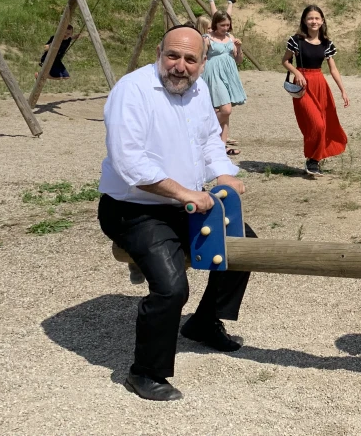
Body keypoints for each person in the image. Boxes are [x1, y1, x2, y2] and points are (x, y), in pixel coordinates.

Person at [97, 25, 255, 402]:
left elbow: (208, 141)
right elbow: (129, 163)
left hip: (183, 204)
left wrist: (224, 174)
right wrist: (185, 192)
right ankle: (145, 372)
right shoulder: (131, 91)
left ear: (203, 62)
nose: (180, 66)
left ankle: (203, 323)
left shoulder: (198, 90)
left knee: (243, 245)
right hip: (133, 209)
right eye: (173, 56)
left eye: (190, 59)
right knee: (171, 287)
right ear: (158, 52)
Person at [282, 5, 350, 177]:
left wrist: (342, 90)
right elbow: (285, 61)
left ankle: (314, 161)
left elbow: (333, 69)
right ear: (304, 21)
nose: (314, 21)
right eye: (310, 18)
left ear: (322, 21)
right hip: (303, 86)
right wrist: (296, 72)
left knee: (324, 123)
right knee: (316, 124)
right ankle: (312, 159)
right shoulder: (296, 40)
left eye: (317, 18)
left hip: (320, 84)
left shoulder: (327, 43)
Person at [200, 10, 246, 155]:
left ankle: (221, 146)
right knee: (226, 110)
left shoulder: (230, 37)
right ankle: (202, 132)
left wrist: (238, 48)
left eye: (227, 25)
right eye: (222, 25)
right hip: (213, 75)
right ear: (215, 24)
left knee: (224, 113)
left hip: (229, 75)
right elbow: (199, 59)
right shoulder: (207, 39)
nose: (225, 28)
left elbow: (239, 61)